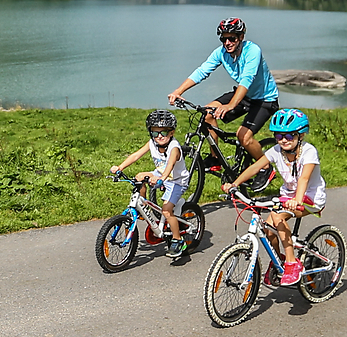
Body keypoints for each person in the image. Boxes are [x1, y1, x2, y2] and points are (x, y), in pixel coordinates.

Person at [218, 108, 323, 286]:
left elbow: (304, 178)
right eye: (279, 136)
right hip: (287, 197)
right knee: (267, 228)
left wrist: (296, 200)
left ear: (300, 136)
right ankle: (278, 260)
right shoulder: (276, 151)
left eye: (289, 136)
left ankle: (291, 263)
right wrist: (234, 184)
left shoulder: (308, 152)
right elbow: (255, 167)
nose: (283, 140)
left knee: (277, 216)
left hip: (310, 198)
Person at [168, 17, 279, 180]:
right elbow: (202, 71)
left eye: (232, 38)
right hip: (244, 95)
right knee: (207, 114)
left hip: (264, 99)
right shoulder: (221, 53)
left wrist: (231, 105)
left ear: (241, 37)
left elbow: (247, 79)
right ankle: (215, 159)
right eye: (223, 39)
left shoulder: (253, 51)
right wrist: (179, 91)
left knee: (244, 137)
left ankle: (266, 168)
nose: (227, 42)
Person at [109, 108, 196, 260]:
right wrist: (120, 167)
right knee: (139, 177)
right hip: (161, 175)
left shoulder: (174, 148)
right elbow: (136, 155)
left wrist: (161, 177)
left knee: (167, 211)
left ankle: (177, 240)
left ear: (172, 132)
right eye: (155, 133)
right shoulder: (152, 143)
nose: (159, 136)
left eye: (163, 132)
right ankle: (143, 208)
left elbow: (169, 165)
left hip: (176, 180)